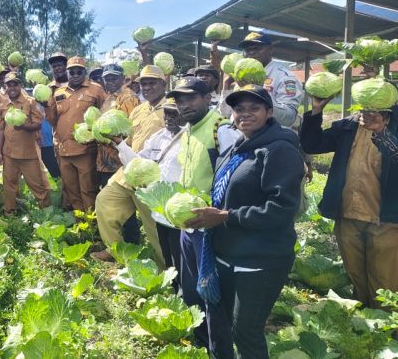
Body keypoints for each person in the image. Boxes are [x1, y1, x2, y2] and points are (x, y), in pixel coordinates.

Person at [187, 85, 303, 358]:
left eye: (255, 108)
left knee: (246, 331)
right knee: (221, 326)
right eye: (240, 109)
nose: (245, 114)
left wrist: (226, 217)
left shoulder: (279, 150)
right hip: (227, 254)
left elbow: (282, 208)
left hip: (260, 260)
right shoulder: (236, 149)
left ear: (270, 113)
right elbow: (226, 195)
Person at [300, 95, 398, 308]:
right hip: (348, 216)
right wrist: (316, 111)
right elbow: (312, 143)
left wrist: (381, 132)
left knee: (385, 283)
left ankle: (389, 332)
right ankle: (366, 327)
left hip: (386, 221)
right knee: (356, 277)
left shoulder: (395, 128)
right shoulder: (348, 126)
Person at [167, 78, 239, 357]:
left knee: (212, 294)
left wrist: (220, 216)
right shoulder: (187, 131)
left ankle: (219, 351)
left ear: (208, 96)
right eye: (179, 100)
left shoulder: (221, 130)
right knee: (191, 291)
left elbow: (236, 179)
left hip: (210, 228)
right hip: (189, 227)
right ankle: (201, 342)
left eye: (191, 98)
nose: (184, 105)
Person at [92, 65, 167, 264]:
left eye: (153, 82)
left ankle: (167, 269)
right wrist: (114, 137)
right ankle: (118, 252)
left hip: (152, 176)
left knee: (154, 226)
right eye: (144, 83)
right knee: (105, 201)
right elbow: (130, 138)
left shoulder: (171, 108)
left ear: (163, 83)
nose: (148, 87)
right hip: (129, 168)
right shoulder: (139, 109)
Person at [44, 56, 105, 211]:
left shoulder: (95, 90)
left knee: (87, 189)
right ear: (67, 72)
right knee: (72, 190)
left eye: (79, 71)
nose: (76, 74)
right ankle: (80, 222)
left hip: (85, 150)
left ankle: (91, 225)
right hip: (64, 150)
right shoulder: (58, 93)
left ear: (84, 72)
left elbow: (104, 116)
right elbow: (52, 120)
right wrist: (46, 105)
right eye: (72, 71)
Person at [219, 32, 303, 129]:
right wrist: (227, 85)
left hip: (269, 139)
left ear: (271, 49)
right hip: (239, 137)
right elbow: (226, 112)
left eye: (257, 48)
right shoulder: (242, 76)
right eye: (247, 50)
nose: (251, 53)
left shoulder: (285, 77)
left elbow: (289, 118)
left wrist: (258, 93)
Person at [0, 72, 51, 214]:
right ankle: (10, 213)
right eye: (9, 84)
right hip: (9, 153)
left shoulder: (30, 102)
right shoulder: (3, 104)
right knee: (9, 186)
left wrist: (23, 126)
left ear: (20, 85)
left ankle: (46, 213)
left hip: (28, 154)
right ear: (5, 87)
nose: (12, 87)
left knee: (37, 185)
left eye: (15, 84)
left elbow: (38, 124)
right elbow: (0, 129)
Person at [96, 63, 140, 188]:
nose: (110, 82)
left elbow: (133, 130)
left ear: (122, 78)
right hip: (106, 161)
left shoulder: (129, 98)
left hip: (120, 161)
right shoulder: (109, 97)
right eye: (107, 79)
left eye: (114, 78)